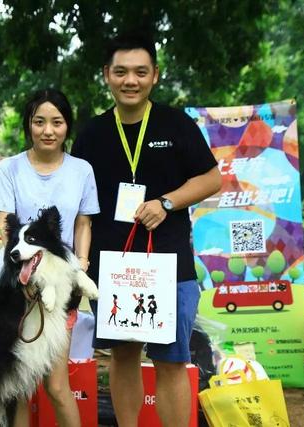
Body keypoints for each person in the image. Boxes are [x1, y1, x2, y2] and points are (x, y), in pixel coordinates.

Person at [70, 33, 221, 426]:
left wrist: (167, 202)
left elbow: (211, 178)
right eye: (120, 72)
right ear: (107, 75)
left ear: (155, 76)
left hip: (170, 265)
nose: (130, 81)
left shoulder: (176, 123)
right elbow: (69, 190)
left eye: (140, 72)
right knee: (123, 355)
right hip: (112, 265)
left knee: (171, 359)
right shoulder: (92, 133)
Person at [0, 88, 100, 427]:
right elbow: (8, 225)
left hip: (61, 288)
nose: (48, 130)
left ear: (68, 126)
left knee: (55, 385)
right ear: (29, 125)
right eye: (39, 122)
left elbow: (84, 222)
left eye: (57, 122)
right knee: (17, 385)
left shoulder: (82, 170)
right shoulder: (10, 168)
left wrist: (81, 262)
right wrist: (21, 275)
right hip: (17, 285)